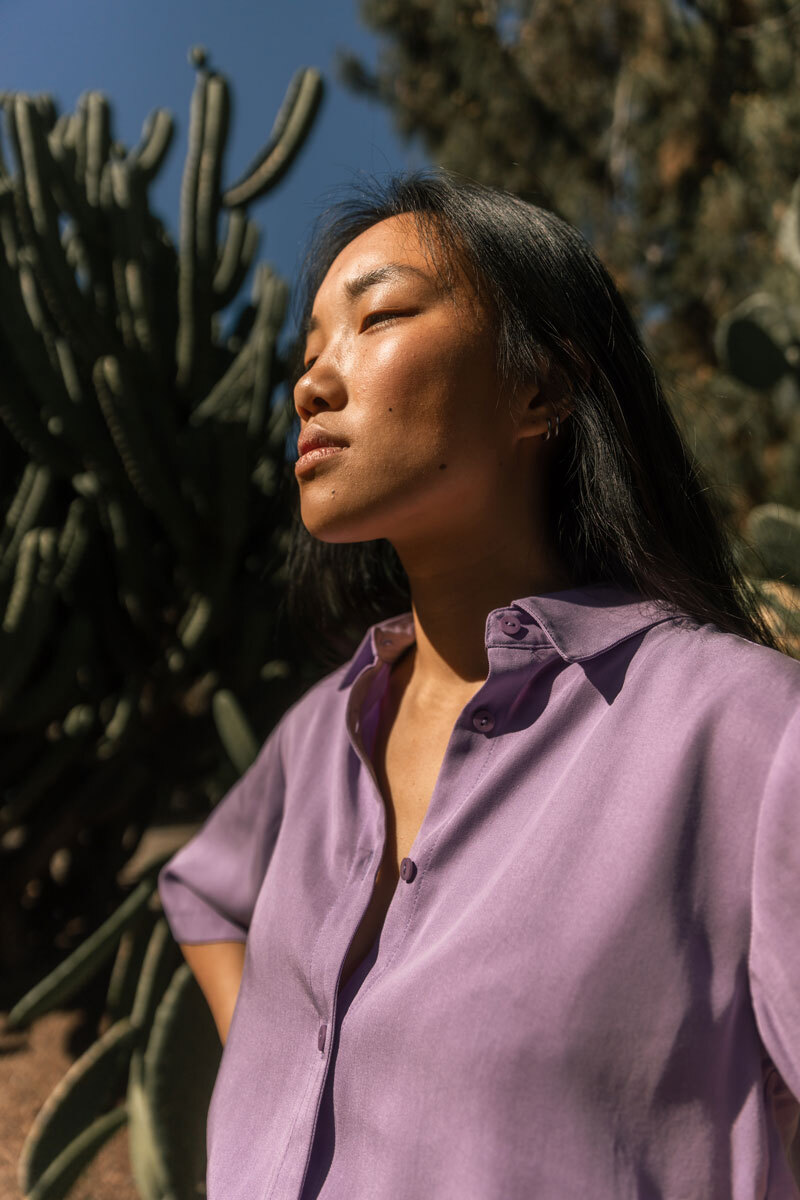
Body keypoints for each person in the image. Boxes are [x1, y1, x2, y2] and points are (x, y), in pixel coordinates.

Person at [157, 169, 800, 1199]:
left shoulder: (749, 736)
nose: (309, 383)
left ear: (537, 388)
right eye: (309, 347)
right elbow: (200, 890)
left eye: (376, 319)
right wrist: (290, 1069)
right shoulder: (320, 733)